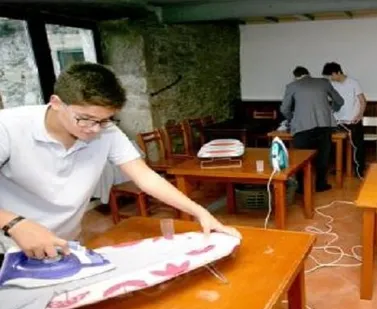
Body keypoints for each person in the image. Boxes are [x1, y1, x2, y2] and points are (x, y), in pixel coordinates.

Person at [0, 62, 240, 260]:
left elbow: (145, 177)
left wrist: (200, 213)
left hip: (62, 242)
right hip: (6, 243)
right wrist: (14, 224)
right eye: (85, 119)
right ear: (56, 103)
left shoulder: (107, 132)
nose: (94, 129)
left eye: (104, 120)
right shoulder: (8, 127)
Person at [280, 66, 344, 192]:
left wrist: (292, 118)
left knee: (301, 158)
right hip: (324, 125)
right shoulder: (323, 82)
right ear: (308, 73)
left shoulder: (292, 86)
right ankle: (321, 185)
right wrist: (332, 110)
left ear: (296, 76)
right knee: (323, 157)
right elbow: (340, 101)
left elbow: (284, 109)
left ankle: (302, 188)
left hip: (302, 127)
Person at [322, 62, 367, 177]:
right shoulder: (332, 84)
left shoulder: (353, 83)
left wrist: (360, 115)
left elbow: (362, 100)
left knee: (357, 146)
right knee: (332, 144)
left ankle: (359, 170)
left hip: (352, 120)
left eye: (331, 75)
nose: (331, 78)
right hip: (337, 120)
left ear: (338, 72)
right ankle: (338, 168)